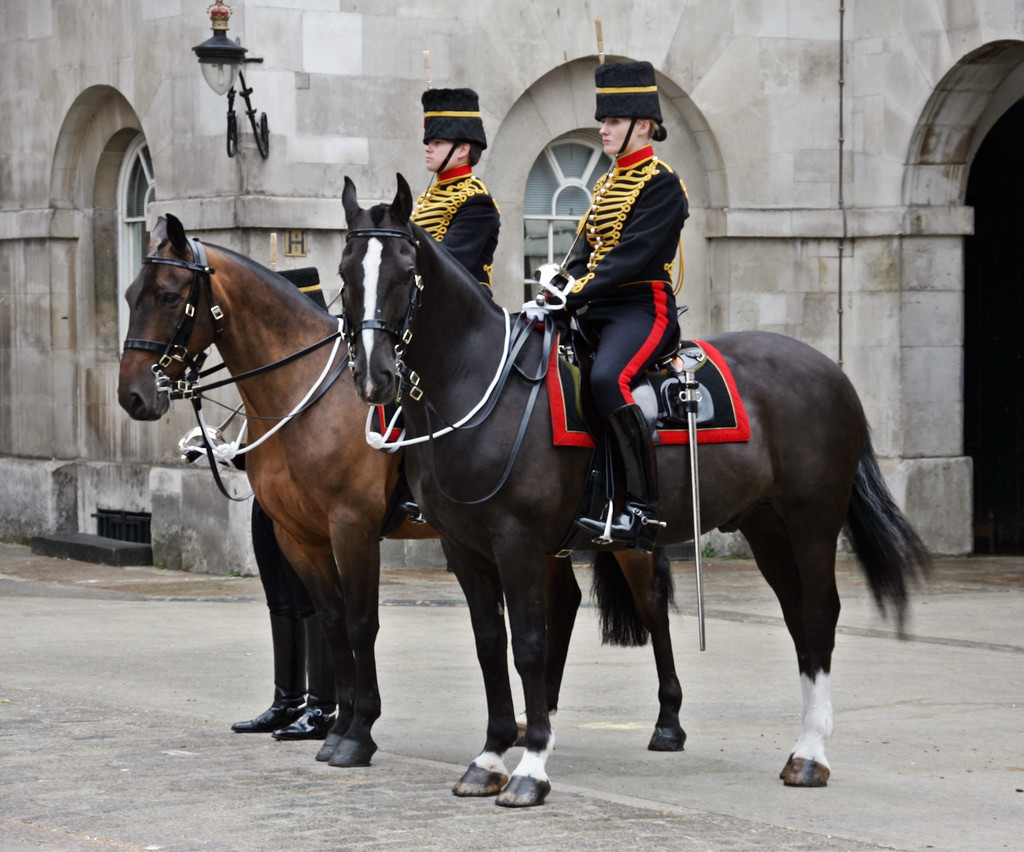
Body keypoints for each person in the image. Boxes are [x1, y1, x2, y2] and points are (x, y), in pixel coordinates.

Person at [562, 60, 689, 552]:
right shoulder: (606, 185)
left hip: (641, 308)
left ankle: (642, 506)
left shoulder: (662, 185)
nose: (603, 129)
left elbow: (631, 257)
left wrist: (578, 290)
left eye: (612, 121)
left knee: (605, 378)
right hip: (595, 308)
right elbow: (586, 253)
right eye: (604, 121)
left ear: (642, 124)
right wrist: (559, 286)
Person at [231, 268, 337, 741]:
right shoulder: (274, 378)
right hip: (270, 493)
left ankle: (322, 705)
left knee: (313, 597)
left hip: (305, 497)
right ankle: (286, 698)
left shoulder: (323, 371)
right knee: (280, 597)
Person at [411, 87, 500, 288]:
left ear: (462, 149)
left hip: (463, 308)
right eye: (429, 142)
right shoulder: (428, 197)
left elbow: (449, 264)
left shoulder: (477, 201)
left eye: (437, 142)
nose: (428, 148)